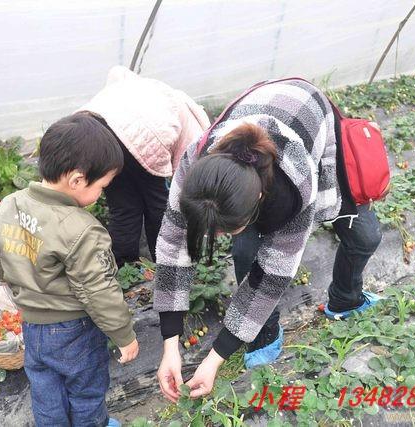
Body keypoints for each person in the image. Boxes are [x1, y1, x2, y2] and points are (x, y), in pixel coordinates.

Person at [153, 79, 383, 401]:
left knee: (365, 235)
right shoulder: (196, 167)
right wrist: (170, 344)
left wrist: (214, 358)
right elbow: (173, 248)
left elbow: (272, 276)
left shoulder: (296, 190)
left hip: (312, 118)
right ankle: (265, 332)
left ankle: (345, 299)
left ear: (259, 198)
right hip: (261, 111)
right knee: (246, 251)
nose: (214, 236)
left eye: (224, 229)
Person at [0, 111, 138, 426]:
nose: (102, 194)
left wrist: (15, 278)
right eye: (103, 186)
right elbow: (99, 291)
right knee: (86, 390)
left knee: (45, 390)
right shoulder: (81, 228)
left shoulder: (11, 205)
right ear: (77, 179)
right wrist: (124, 335)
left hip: (32, 327)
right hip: (74, 331)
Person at [81, 66, 210, 267]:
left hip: (101, 134)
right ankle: (164, 261)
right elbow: (188, 176)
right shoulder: (190, 119)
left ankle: (123, 266)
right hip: (143, 137)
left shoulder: (137, 91)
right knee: (157, 202)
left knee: (124, 206)